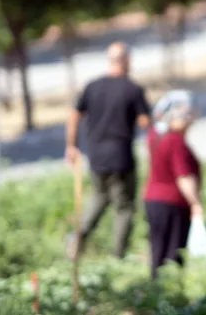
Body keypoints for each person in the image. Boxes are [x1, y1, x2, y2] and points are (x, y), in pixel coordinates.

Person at [65, 41, 151, 259]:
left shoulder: (92, 86)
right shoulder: (132, 88)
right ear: (127, 60)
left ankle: (78, 240)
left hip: (97, 158)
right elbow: (144, 122)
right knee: (124, 208)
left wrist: (71, 146)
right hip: (121, 158)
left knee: (99, 199)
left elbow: (74, 116)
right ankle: (118, 256)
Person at [143, 89, 204, 279]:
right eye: (187, 116)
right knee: (173, 253)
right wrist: (195, 203)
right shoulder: (175, 141)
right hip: (172, 203)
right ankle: (170, 297)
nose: (191, 121)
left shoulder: (155, 135)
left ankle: (156, 292)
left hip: (153, 200)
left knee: (158, 251)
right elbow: (183, 177)